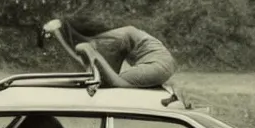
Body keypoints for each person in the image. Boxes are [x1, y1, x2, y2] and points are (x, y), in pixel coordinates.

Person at [43, 16, 177, 88]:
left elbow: (110, 79)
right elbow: (104, 70)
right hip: (164, 63)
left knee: (117, 85)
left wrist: (62, 39)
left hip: (158, 65)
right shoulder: (117, 35)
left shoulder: (112, 38)